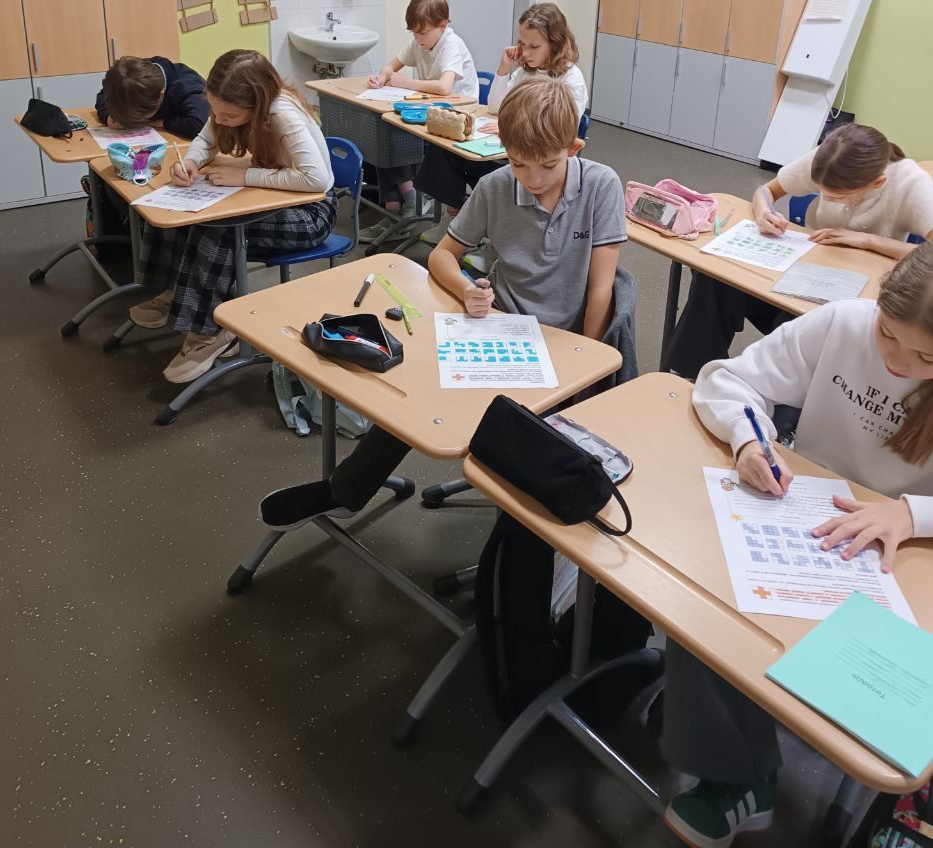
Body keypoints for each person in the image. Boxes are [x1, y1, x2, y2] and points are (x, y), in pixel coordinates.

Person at [257, 78, 626, 530]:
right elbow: (441, 257)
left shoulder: (601, 185)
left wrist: (588, 361)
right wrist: (467, 290)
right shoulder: (495, 186)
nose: (532, 179)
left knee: (536, 456)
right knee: (420, 391)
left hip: (567, 343)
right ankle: (345, 491)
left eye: (548, 165)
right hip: (504, 329)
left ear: (574, 148)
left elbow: (601, 289)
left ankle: (515, 545)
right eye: (518, 163)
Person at [663, 244, 933, 848]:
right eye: (889, 336)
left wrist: (910, 514)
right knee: (704, 598)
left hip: (904, 553)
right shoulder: (845, 324)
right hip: (802, 509)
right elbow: (728, 379)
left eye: (926, 357)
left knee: (876, 686)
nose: (898, 361)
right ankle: (740, 779)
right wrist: (749, 440)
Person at [131, 49, 337, 384]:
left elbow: (317, 180)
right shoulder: (227, 107)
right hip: (278, 200)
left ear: (256, 103)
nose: (219, 118)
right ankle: (176, 293)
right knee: (178, 209)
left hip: (312, 213)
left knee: (219, 228)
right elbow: (205, 139)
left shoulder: (283, 114)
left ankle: (212, 331)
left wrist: (244, 176)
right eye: (215, 110)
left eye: (228, 115)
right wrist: (191, 162)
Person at [666, 124, 933, 379]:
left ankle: (769, 392)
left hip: (851, 289)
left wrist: (867, 240)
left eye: (837, 198)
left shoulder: (911, 183)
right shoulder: (831, 158)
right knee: (717, 277)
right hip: (804, 267)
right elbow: (766, 190)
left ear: (877, 183)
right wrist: (764, 212)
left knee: (793, 323)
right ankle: (692, 373)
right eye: (823, 194)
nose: (828, 200)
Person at [416, 2, 589, 218]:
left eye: (534, 46)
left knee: (482, 168)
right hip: (510, 150)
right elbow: (496, 108)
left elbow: (558, 130)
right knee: (443, 149)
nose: (525, 52)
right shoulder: (526, 72)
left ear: (555, 44)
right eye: (522, 44)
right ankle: (461, 212)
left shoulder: (571, 79)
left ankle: (480, 219)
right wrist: (504, 68)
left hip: (536, 159)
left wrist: (511, 129)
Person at [360, 0, 479, 245]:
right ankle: (397, 205)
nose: (417, 38)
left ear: (442, 25)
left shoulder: (451, 44)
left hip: (456, 120)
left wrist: (406, 83)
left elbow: (445, 87)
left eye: (422, 32)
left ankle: (411, 200)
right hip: (430, 113)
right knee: (381, 131)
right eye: (414, 32)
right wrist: (382, 77)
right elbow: (391, 66)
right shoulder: (420, 41)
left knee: (394, 138)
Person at [95, 54, 209, 139]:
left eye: (141, 117)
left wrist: (162, 123)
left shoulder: (186, 87)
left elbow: (199, 125)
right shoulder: (129, 77)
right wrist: (108, 117)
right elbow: (102, 95)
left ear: (161, 95)